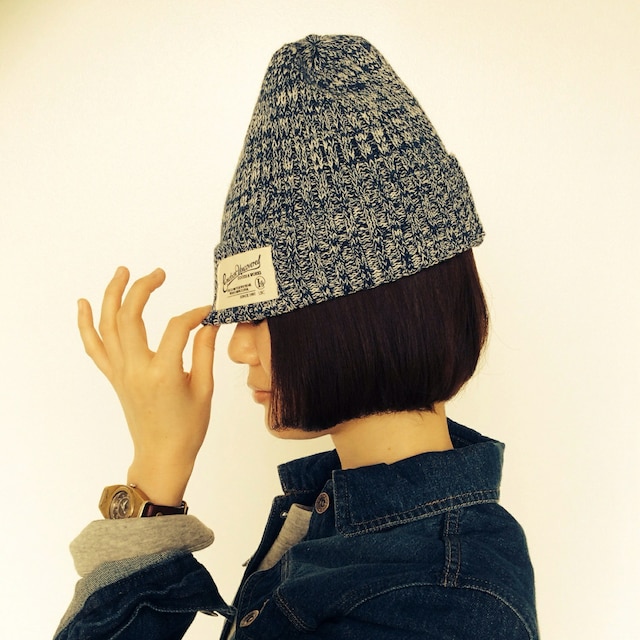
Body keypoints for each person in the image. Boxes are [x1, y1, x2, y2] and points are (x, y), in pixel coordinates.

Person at [54, 35, 538, 639]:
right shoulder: (349, 526)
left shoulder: (436, 606)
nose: (238, 348)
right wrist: (160, 474)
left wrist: (154, 470)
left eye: (264, 317)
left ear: (358, 313)